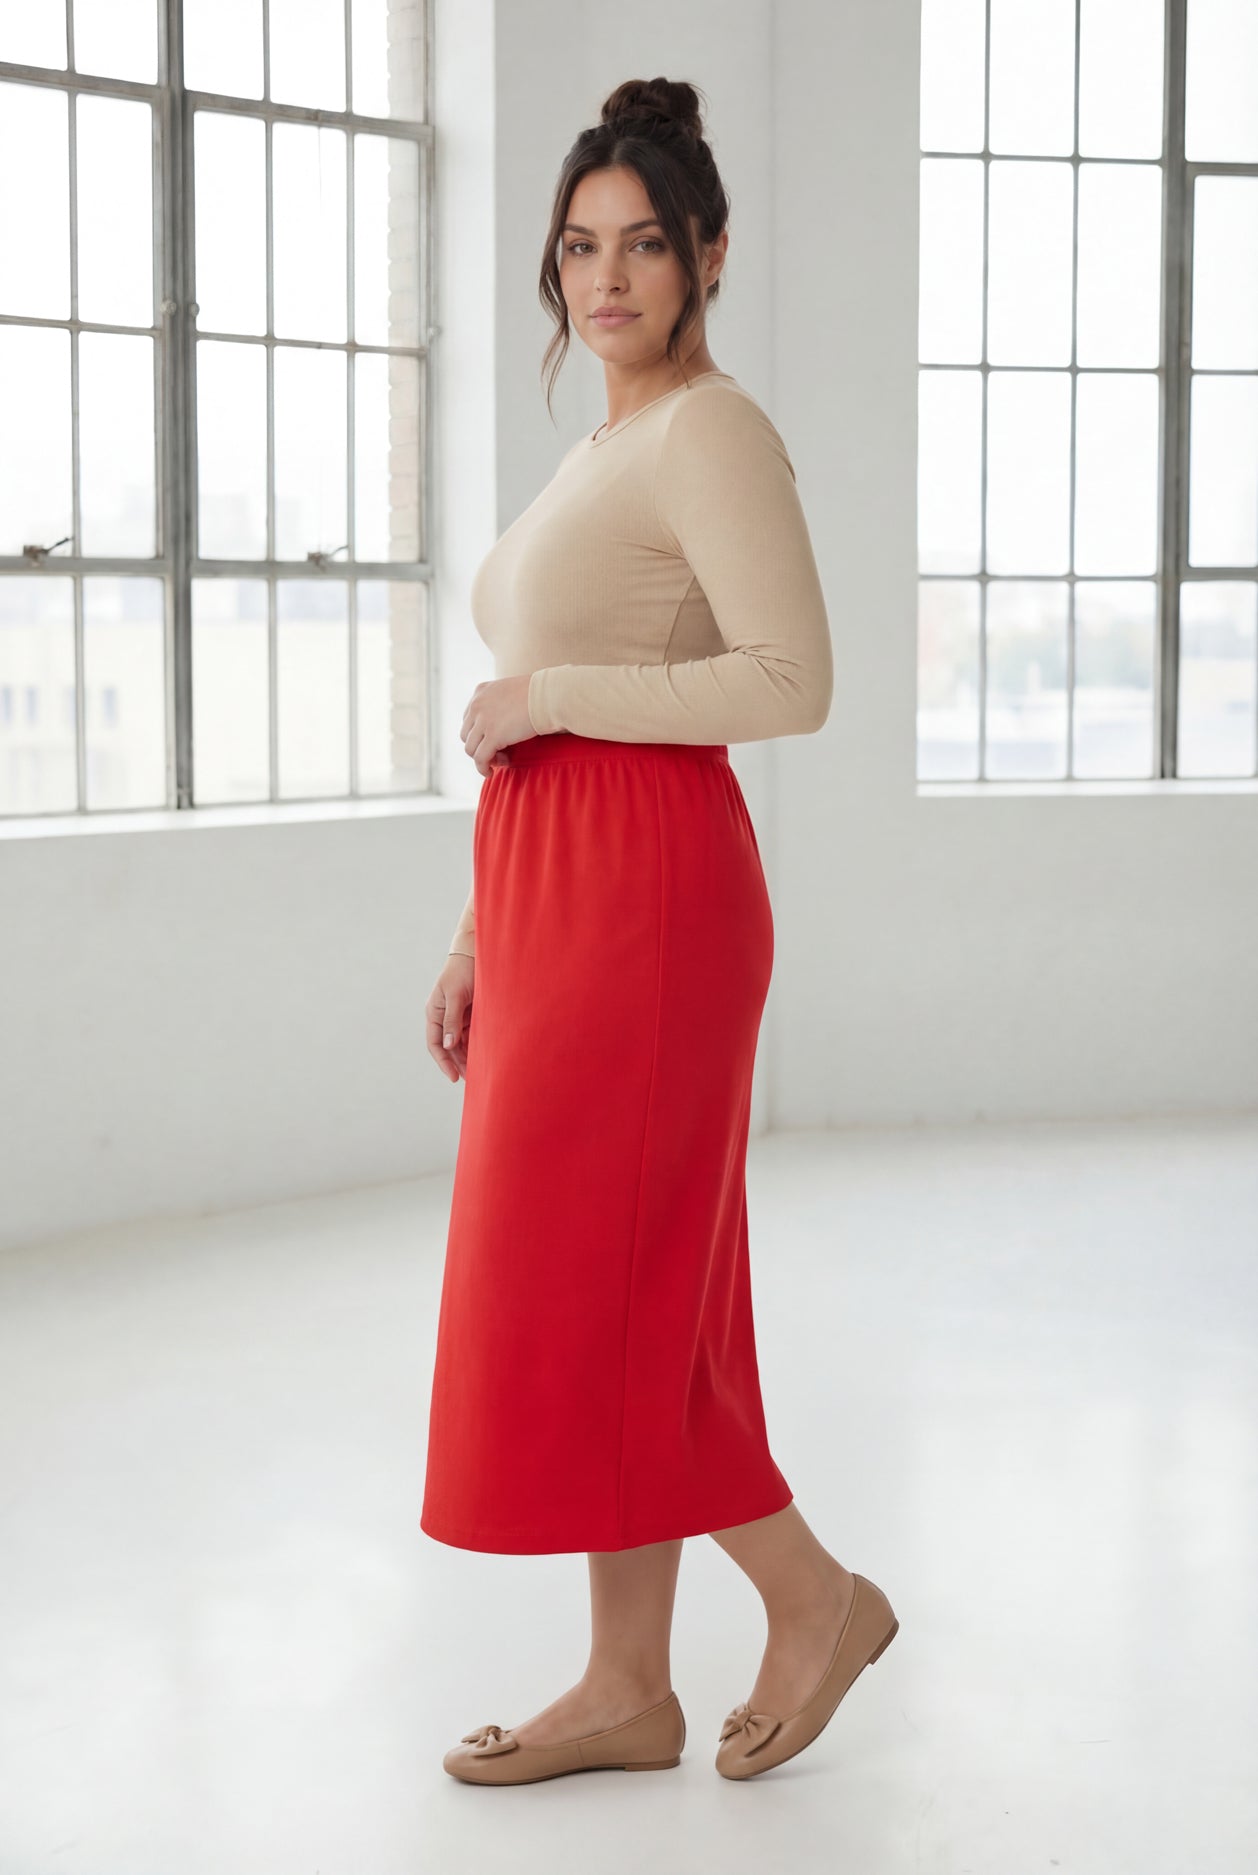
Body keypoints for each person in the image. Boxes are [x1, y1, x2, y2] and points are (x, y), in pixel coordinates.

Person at [421, 76, 898, 1786]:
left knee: (616, 1289)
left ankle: (814, 1592)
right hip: (551, 890)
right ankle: (627, 1684)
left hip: (650, 898)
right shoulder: (603, 446)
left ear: (707, 255)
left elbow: (792, 682)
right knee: (616, 1285)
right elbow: (534, 727)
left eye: (641, 246)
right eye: (576, 246)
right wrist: (479, 931)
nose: (604, 278)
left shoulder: (709, 429)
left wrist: (546, 689)